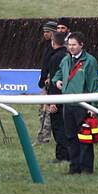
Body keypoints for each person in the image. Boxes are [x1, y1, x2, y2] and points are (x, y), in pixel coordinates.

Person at [55, 33, 98, 175]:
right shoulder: (66, 59)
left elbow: (94, 84)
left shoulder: (90, 61)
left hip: (83, 105)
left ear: (81, 45)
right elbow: (58, 74)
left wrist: (95, 106)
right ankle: (74, 168)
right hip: (67, 104)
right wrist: (57, 80)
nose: (71, 47)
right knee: (70, 137)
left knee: (85, 138)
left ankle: (86, 168)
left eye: (74, 44)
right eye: (69, 45)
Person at [41, 30, 71, 163]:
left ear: (53, 42)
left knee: (58, 128)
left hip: (57, 97)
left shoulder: (55, 57)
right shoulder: (67, 55)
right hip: (68, 96)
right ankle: (68, 154)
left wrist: (53, 101)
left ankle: (61, 156)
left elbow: (54, 80)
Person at [36, 20, 59, 143]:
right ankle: (43, 137)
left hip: (53, 83)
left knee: (48, 110)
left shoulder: (58, 47)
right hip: (45, 82)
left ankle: (45, 137)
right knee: (42, 109)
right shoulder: (48, 46)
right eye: (44, 31)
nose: (45, 34)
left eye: (47, 32)